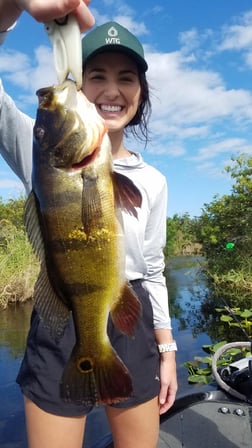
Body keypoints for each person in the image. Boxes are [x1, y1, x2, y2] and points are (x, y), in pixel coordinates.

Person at [0, 2, 178, 447]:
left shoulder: (153, 181)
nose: (111, 89)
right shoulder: (42, 147)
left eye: (126, 77)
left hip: (130, 314)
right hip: (62, 312)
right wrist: (6, 10)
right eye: (96, 75)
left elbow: (153, 269)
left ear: (141, 95)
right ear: (79, 84)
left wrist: (167, 349)